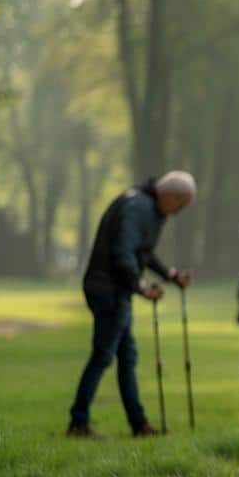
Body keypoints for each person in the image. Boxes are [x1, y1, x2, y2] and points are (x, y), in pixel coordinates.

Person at [67, 171, 196, 438]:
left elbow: (142, 252)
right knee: (103, 356)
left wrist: (171, 276)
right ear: (171, 196)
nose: (179, 212)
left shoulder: (143, 205)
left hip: (112, 289)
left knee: (126, 357)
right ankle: (78, 423)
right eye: (182, 205)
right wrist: (141, 287)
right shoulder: (140, 208)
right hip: (108, 290)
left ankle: (138, 425)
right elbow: (123, 252)